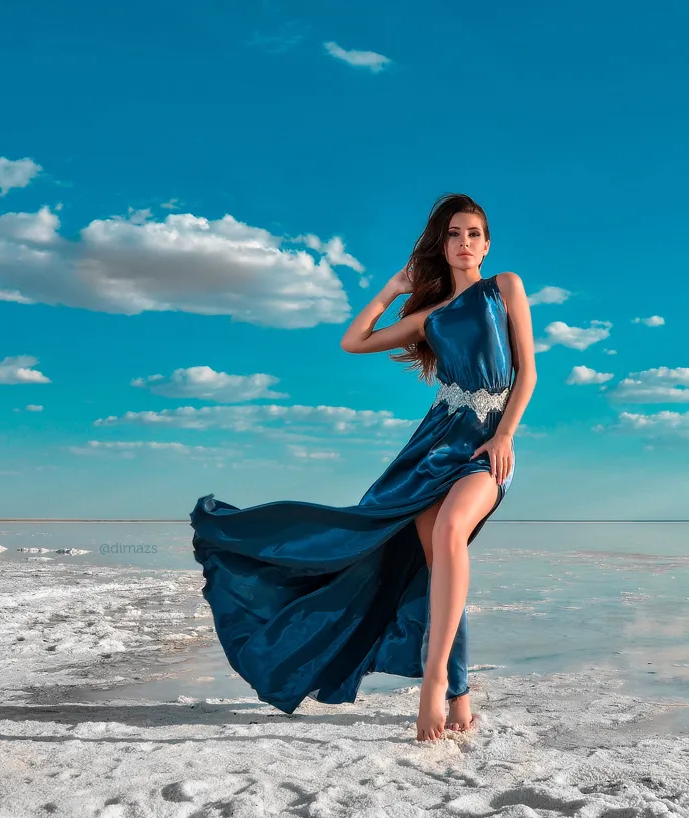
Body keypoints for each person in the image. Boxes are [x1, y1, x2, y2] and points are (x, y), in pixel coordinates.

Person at [190, 193, 537, 741]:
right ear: (442, 246)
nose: (464, 242)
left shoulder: (507, 288)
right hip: (432, 449)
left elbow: (528, 375)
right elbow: (354, 342)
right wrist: (390, 291)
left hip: (486, 445)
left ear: (487, 244)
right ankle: (460, 696)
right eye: (453, 234)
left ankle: (432, 686)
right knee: (435, 566)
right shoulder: (429, 318)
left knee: (450, 533)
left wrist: (504, 434)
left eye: (473, 234)